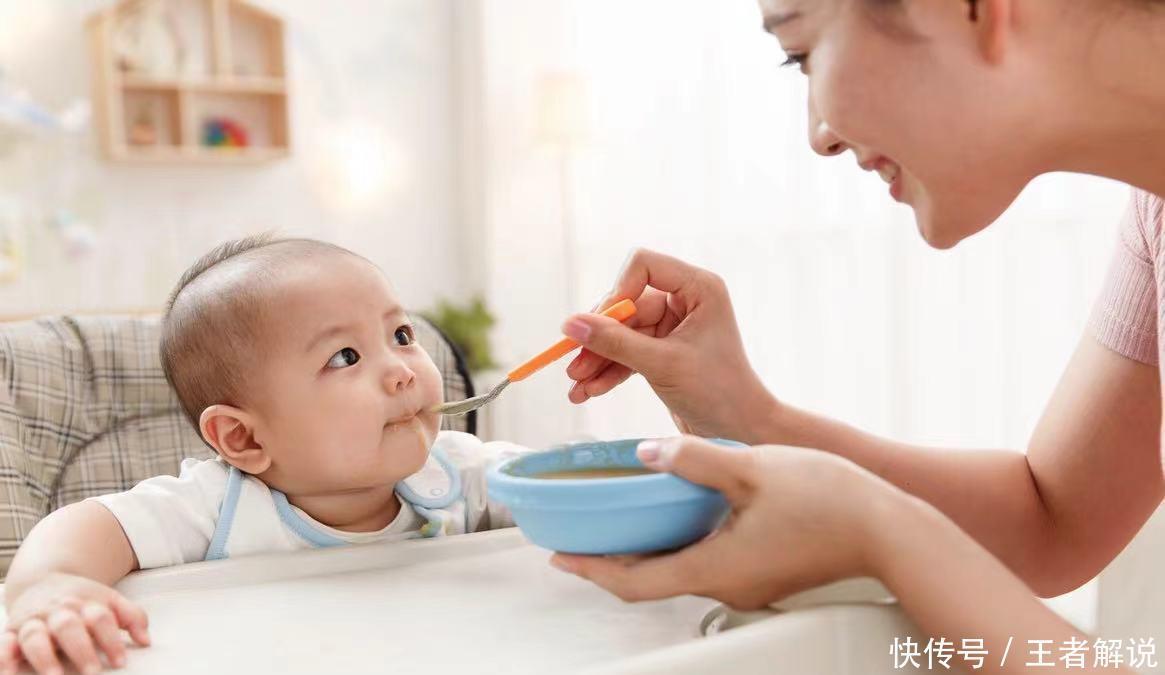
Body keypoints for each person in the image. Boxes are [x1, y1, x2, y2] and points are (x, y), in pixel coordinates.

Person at [550, 1, 1165, 672]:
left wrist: (879, 530)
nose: (819, 135)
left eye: (802, 53)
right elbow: (1051, 523)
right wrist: (746, 413)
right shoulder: (1153, 210)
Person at [1, 236, 526, 675]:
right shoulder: (217, 508)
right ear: (243, 439)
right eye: (345, 356)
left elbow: (563, 486)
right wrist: (49, 585)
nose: (402, 370)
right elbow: (89, 524)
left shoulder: (460, 471)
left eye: (401, 335)